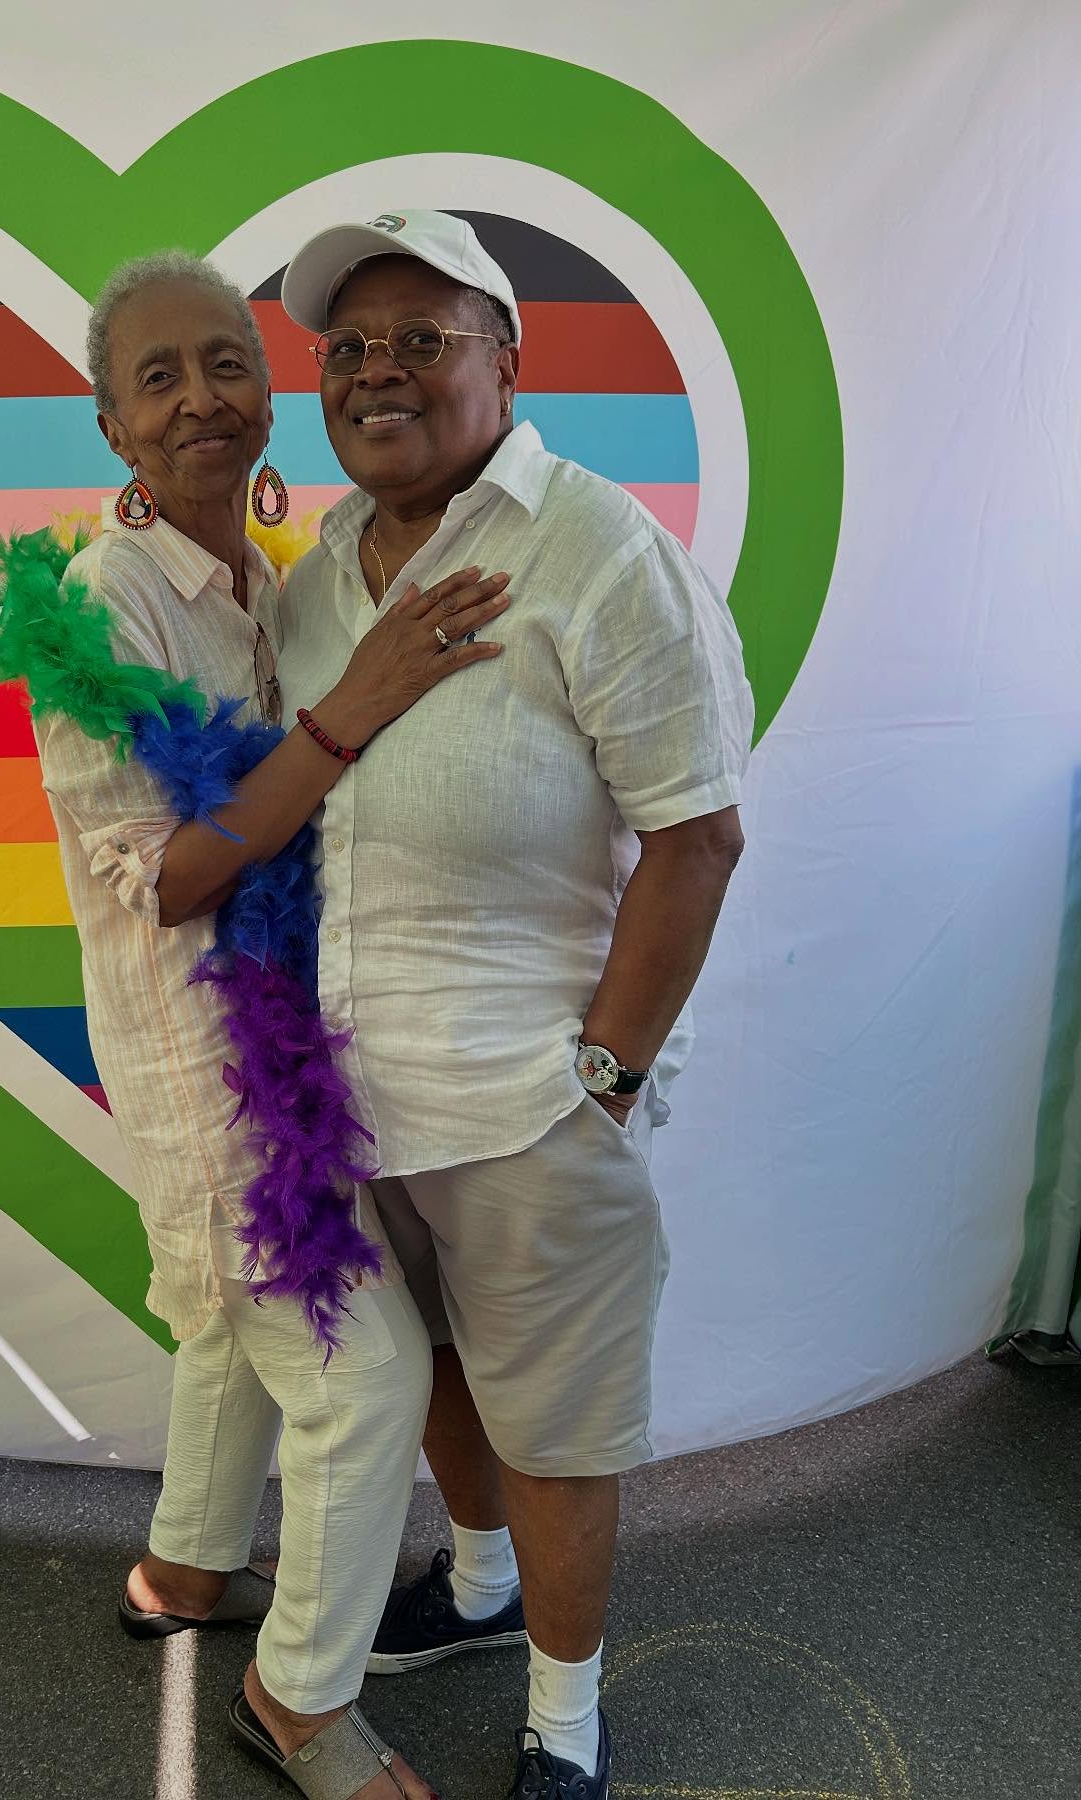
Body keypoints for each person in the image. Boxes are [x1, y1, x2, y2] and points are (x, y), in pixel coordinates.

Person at [0, 249, 512, 1800]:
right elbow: (176, 877)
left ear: (270, 391)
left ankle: (185, 1573)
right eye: (160, 378)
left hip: (292, 1030)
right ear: (112, 426)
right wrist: (362, 702)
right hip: (204, 1062)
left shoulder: (269, 577)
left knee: (230, 1327)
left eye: (227, 364)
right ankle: (300, 1706)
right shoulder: (103, 604)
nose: (203, 399)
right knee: (359, 1375)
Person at [275, 211, 754, 1800]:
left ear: (507, 356)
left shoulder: (599, 551)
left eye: (422, 338)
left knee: (557, 1432)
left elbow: (698, 834)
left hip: (523, 1103)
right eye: (349, 348)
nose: (378, 372)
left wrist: (599, 1079)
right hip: (360, 1100)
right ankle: (477, 1586)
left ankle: (566, 1720)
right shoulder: (320, 576)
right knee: (434, 1374)